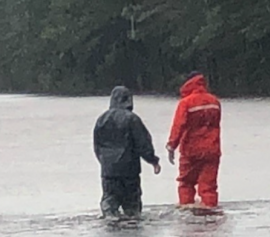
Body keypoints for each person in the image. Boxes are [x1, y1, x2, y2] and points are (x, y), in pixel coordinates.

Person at [93, 86, 161, 218]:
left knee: (109, 201)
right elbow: (143, 143)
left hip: (109, 171)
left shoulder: (101, 120)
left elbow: (97, 146)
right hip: (129, 170)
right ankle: (131, 227)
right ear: (129, 100)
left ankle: (111, 222)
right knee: (132, 206)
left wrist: (104, 163)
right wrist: (153, 161)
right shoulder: (132, 119)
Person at [165, 71, 221, 208]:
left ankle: (187, 215)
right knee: (209, 187)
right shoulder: (215, 101)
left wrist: (171, 146)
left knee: (186, 184)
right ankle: (211, 215)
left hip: (191, 150)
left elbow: (179, 126)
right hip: (212, 150)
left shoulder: (185, 103)